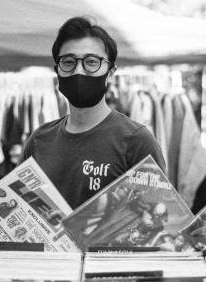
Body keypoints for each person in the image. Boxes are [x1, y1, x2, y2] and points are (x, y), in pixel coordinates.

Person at [19, 16, 166, 209]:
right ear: (58, 71)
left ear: (110, 72)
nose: (79, 71)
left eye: (91, 62)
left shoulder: (136, 142)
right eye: (69, 62)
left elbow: (157, 216)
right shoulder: (38, 141)